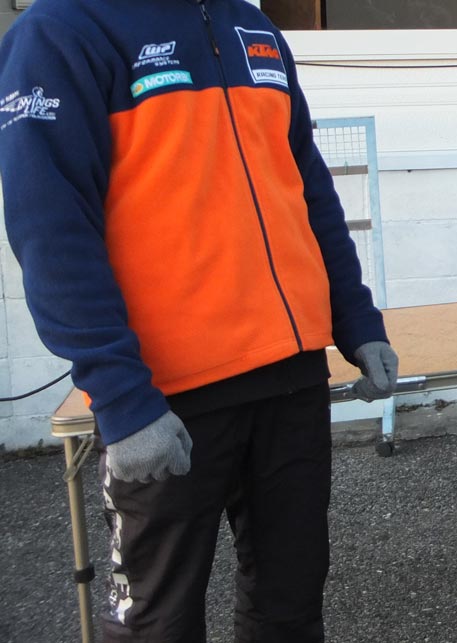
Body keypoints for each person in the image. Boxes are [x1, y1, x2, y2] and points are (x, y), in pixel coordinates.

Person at [0, 1, 399, 641]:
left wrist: (356, 319)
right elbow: (50, 227)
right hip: (165, 396)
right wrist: (122, 398)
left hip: (290, 376)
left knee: (290, 608)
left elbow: (306, 186)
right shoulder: (61, 32)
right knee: (157, 622)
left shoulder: (252, 27)